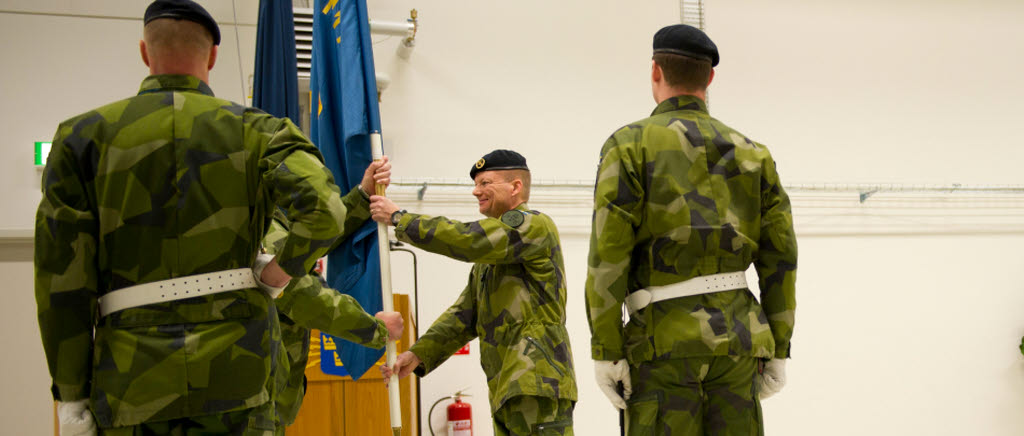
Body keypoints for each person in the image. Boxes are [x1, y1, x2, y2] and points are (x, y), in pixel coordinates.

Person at [34, 0, 351, 434]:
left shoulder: (82, 139)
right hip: (239, 376)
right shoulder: (261, 131)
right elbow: (327, 211)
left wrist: (70, 394)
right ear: (214, 56)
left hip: (132, 381)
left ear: (145, 52)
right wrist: (278, 274)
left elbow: (61, 279)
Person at [585, 24, 798, 435]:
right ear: (710, 78)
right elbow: (781, 257)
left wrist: (606, 350)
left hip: (660, 345)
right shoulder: (753, 152)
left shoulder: (628, 145)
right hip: (738, 345)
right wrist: (779, 348)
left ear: (655, 72)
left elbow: (608, 255)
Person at [370, 150, 578, 435]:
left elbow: (469, 239)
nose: (475, 191)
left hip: (536, 380)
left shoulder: (533, 226)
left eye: (485, 183)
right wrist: (418, 354)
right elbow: (464, 315)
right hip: (507, 384)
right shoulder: (491, 260)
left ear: (515, 186)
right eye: (476, 184)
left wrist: (400, 219)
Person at [262, 161, 404, 427]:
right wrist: (375, 328)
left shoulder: (243, 216)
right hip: (256, 395)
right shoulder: (256, 225)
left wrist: (363, 195)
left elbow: (307, 244)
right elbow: (300, 292)